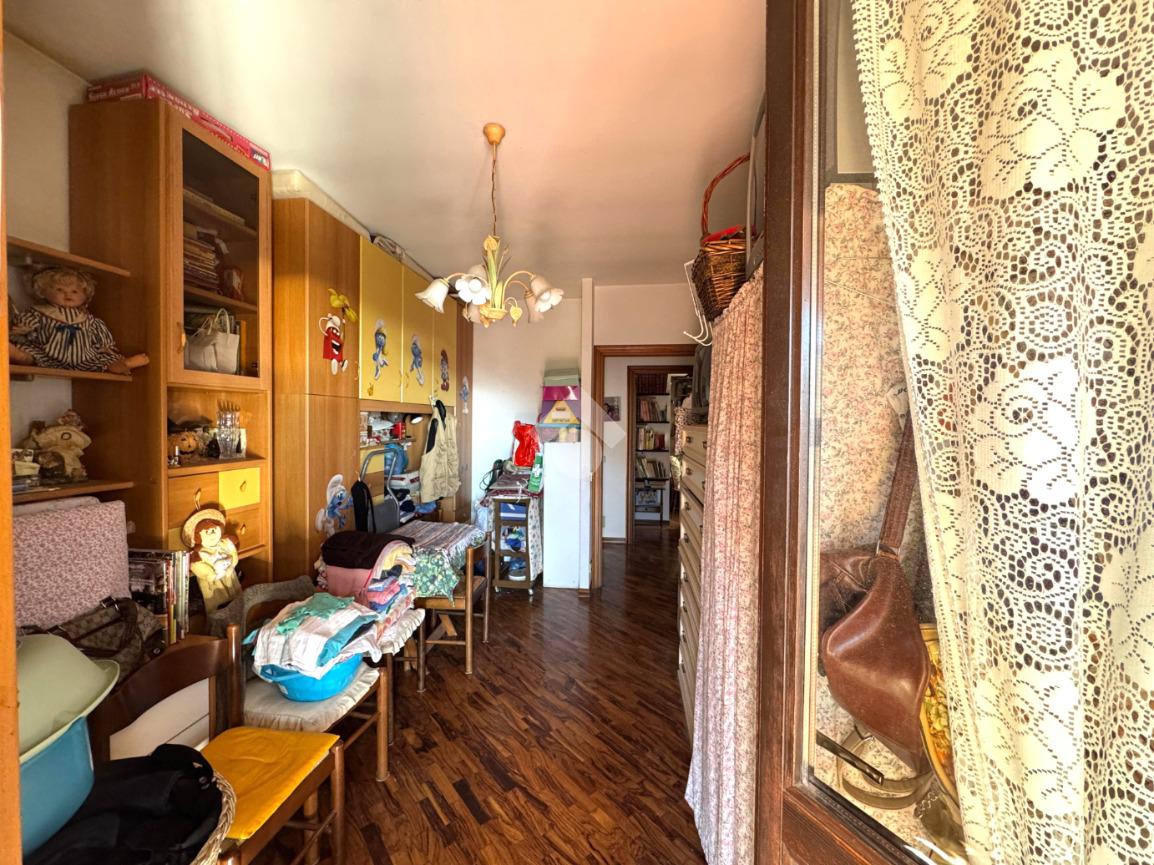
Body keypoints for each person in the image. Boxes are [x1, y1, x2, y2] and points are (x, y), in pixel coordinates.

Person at [183, 508, 241, 614]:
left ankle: (238, 615)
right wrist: (212, 575)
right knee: (217, 605)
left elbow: (232, 552)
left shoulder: (223, 543)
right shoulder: (199, 554)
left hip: (229, 575)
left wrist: (232, 564)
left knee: (237, 599)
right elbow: (197, 566)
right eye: (207, 532)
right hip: (213, 582)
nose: (211, 534)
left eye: (214, 530)